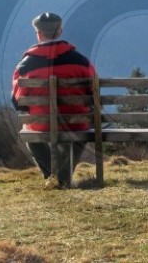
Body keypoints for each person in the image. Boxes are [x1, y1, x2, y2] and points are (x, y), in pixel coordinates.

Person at [11, 12, 96, 182]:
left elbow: (17, 101)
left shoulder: (26, 65)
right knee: (82, 130)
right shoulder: (81, 61)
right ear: (60, 31)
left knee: (30, 134)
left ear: (39, 34)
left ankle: (53, 177)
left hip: (41, 125)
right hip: (76, 123)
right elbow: (94, 95)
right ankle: (62, 177)